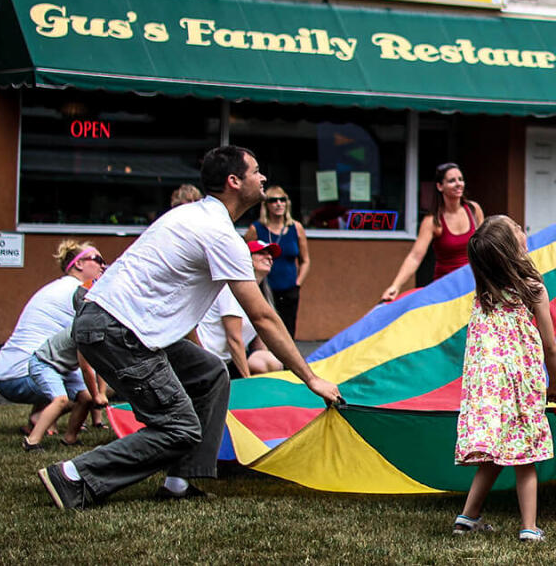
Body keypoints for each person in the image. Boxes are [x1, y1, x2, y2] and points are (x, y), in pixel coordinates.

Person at [37, 145, 342, 511]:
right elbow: (262, 316)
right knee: (179, 426)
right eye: (256, 171)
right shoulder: (220, 233)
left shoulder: (192, 217)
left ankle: (179, 480)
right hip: (117, 330)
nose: (263, 178)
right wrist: (310, 379)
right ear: (234, 181)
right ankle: (75, 475)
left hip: (117, 324)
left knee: (211, 372)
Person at [452, 216, 556, 540]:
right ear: (513, 249)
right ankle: (529, 527)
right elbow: (550, 346)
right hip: (521, 387)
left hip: (490, 390)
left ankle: (467, 518)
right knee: (525, 455)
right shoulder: (533, 289)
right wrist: (554, 385)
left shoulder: (484, 293)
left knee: (496, 453)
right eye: (516, 228)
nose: (522, 228)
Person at [0, 240, 106, 445]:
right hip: (19, 376)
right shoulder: (78, 294)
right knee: (96, 378)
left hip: (8, 371)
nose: (103, 266)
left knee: (75, 375)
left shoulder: (58, 288)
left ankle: (39, 418)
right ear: (79, 264)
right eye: (98, 260)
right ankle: (41, 420)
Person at [380, 163, 484, 302]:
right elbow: (415, 257)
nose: (458, 184)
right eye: (452, 181)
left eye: (460, 179)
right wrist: (395, 286)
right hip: (447, 290)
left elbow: (486, 245)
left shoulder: (473, 209)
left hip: (473, 285)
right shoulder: (433, 221)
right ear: (440, 186)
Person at [195, 240, 286, 378]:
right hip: (212, 360)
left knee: (272, 360)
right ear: (246, 258)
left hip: (230, 359)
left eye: (270, 255)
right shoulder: (231, 289)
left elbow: (260, 343)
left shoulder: (261, 295)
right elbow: (234, 339)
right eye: (261, 253)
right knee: (267, 362)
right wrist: (247, 380)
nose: (269, 257)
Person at [25, 317, 104, 451]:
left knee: (86, 398)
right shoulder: (84, 330)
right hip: (44, 364)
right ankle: (32, 441)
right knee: (61, 400)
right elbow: (86, 369)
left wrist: (101, 393)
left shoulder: (101, 330)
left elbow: (101, 364)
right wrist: (97, 395)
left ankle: (70, 438)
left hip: (65, 368)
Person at [247, 185, 310, 337]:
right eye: (273, 200)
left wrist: (298, 283)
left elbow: (305, 260)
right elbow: (244, 256)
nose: (278, 204)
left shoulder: (296, 227)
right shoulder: (256, 229)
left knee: (288, 331)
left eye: (282, 200)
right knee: (266, 331)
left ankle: (286, 362)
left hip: (290, 288)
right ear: (266, 205)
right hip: (265, 288)